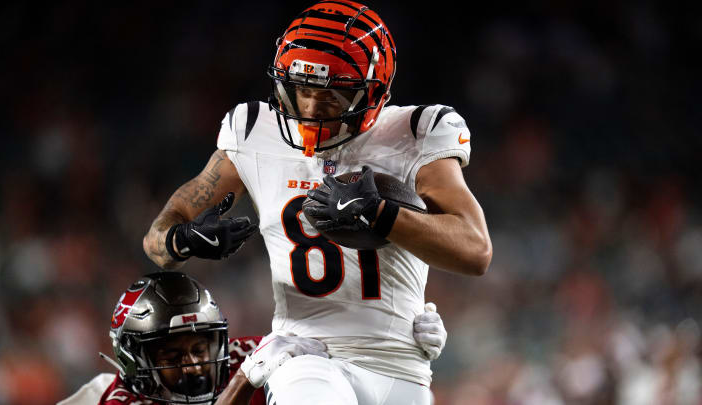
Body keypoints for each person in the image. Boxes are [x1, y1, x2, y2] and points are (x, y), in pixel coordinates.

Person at [143, 1, 491, 403]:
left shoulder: (414, 134)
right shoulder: (255, 132)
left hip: (401, 362)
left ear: (375, 91)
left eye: (332, 96)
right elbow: (158, 241)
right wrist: (182, 240)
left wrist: (378, 213)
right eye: (302, 90)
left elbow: (475, 251)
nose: (310, 108)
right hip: (305, 353)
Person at [58, 272, 447, 404]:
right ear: (133, 362)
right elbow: (253, 370)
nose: (194, 364)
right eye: (173, 355)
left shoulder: (242, 355)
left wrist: (404, 340)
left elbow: (334, 347)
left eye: (199, 347)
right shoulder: (119, 398)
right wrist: (244, 381)